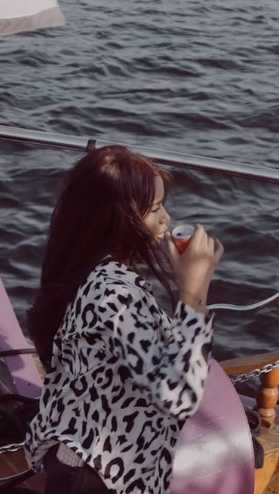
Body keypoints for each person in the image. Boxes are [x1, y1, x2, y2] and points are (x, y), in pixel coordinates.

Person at [24, 145, 224, 494]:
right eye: (154, 209)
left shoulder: (86, 269)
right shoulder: (115, 295)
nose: (166, 218)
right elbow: (178, 396)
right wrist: (194, 292)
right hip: (100, 477)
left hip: (83, 459)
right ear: (118, 220)